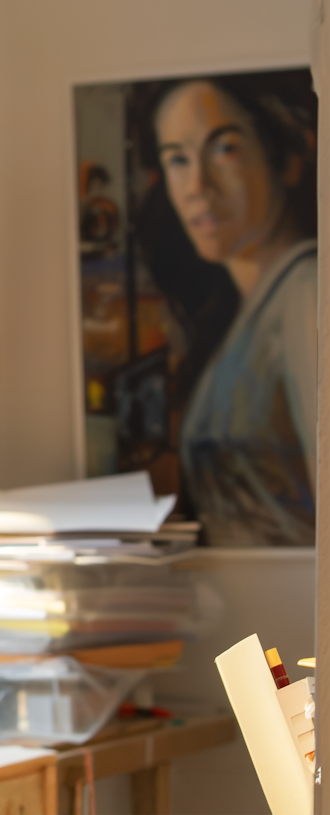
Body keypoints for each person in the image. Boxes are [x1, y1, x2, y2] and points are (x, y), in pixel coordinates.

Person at [144, 75, 317, 545]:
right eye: (177, 159)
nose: (197, 186)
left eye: (224, 149)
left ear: (288, 156)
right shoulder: (246, 314)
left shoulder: (307, 292)